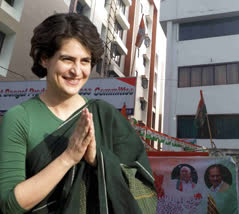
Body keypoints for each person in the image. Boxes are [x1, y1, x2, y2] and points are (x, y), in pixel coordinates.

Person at [0, 13, 156, 214]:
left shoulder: (105, 115)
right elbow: (9, 204)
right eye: (67, 59)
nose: (77, 71)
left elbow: (142, 187)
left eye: (85, 61)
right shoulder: (19, 118)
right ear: (44, 59)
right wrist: (69, 157)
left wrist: (97, 159)